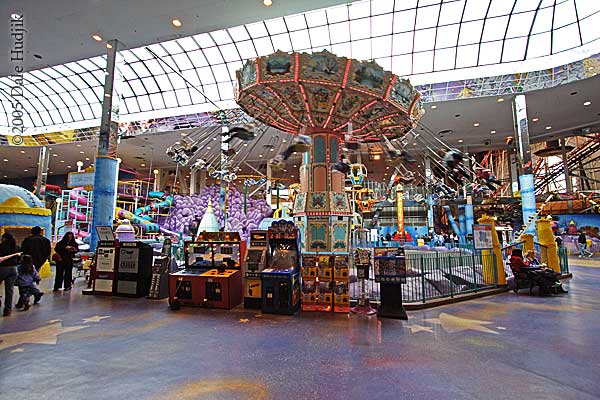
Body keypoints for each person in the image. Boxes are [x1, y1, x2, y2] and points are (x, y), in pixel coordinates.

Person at [0, 233, 22, 316]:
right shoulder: (16, 247)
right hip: (13, 269)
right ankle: (8, 310)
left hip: (2, 269)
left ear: (4, 239)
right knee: (9, 290)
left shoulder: (1, 246)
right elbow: (19, 258)